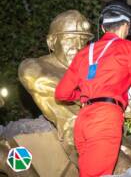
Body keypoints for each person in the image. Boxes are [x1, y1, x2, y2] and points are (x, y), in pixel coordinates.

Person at [55, 0, 131, 176]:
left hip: (82, 121)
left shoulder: (84, 53)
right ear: (126, 25)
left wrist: (84, 94)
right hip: (106, 119)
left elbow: (61, 93)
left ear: (103, 26)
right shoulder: (129, 48)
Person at [18, 10, 94, 144]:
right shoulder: (35, 66)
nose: (78, 46)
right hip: (74, 138)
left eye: (83, 40)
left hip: (103, 131)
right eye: (70, 39)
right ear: (51, 42)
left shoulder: (91, 70)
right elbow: (40, 81)